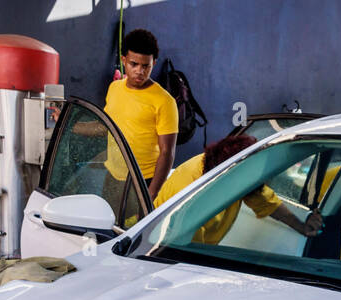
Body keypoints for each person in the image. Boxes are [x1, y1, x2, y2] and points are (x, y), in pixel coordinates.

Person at [153, 135, 321, 243]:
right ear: (231, 174)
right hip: (164, 248)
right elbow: (180, 242)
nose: (259, 181)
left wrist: (301, 226)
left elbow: (266, 201)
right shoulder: (190, 185)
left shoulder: (240, 174)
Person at [104, 28, 178, 201]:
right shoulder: (114, 88)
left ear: (154, 63)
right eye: (134, 64)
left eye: (146, 66)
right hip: (113, 175)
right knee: (105, 225)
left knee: (136, 228)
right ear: (124, 60)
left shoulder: (165, 101)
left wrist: (150, 195)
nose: (140, 71)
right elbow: (106, 125)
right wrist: (66, 122)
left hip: (143, 180)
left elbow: (167, 153)